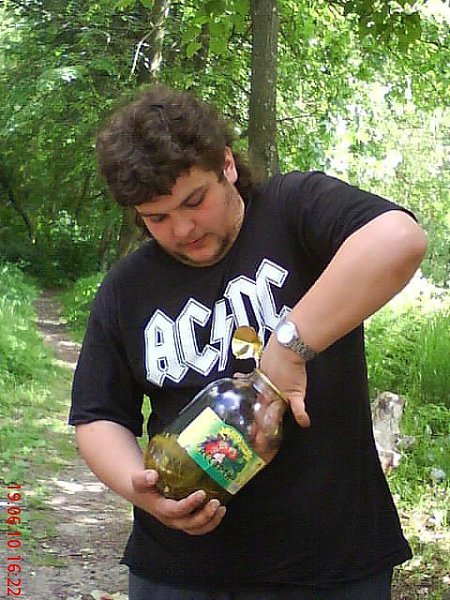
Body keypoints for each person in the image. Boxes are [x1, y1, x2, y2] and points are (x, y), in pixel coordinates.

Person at [69, 84, 427, 600]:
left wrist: (288, 345)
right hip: (180, 572)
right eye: (157, 218)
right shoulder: (128, 287)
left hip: (331, 564)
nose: (183, 229)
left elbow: (399, 238)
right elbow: (97, 415)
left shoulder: (292, 209)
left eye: (195, 201)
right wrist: (140, 490)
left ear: (227, 164)